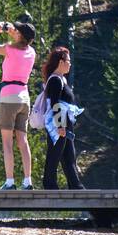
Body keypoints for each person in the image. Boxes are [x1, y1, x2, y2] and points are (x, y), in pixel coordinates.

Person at [0, 19, 36, 190]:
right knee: (23, 140)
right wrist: (12, 31)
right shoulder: (31, 52)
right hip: (24, 97)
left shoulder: (8, 49)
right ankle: (27, 181)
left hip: (9, 96)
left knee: (7, 142)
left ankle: (10, 181)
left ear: (20, 35)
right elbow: (22, 41)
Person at [42, 45, 85, 191]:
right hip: (59, 122)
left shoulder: (62, 80)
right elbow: (55, 103)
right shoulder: (55, 80)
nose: (70, 64)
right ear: (61, 62)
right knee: (54, 154)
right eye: (68, 61)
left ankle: (75, 185)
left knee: (68, 156)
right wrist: (60, 125)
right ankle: (49, 185)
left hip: (66, 122)